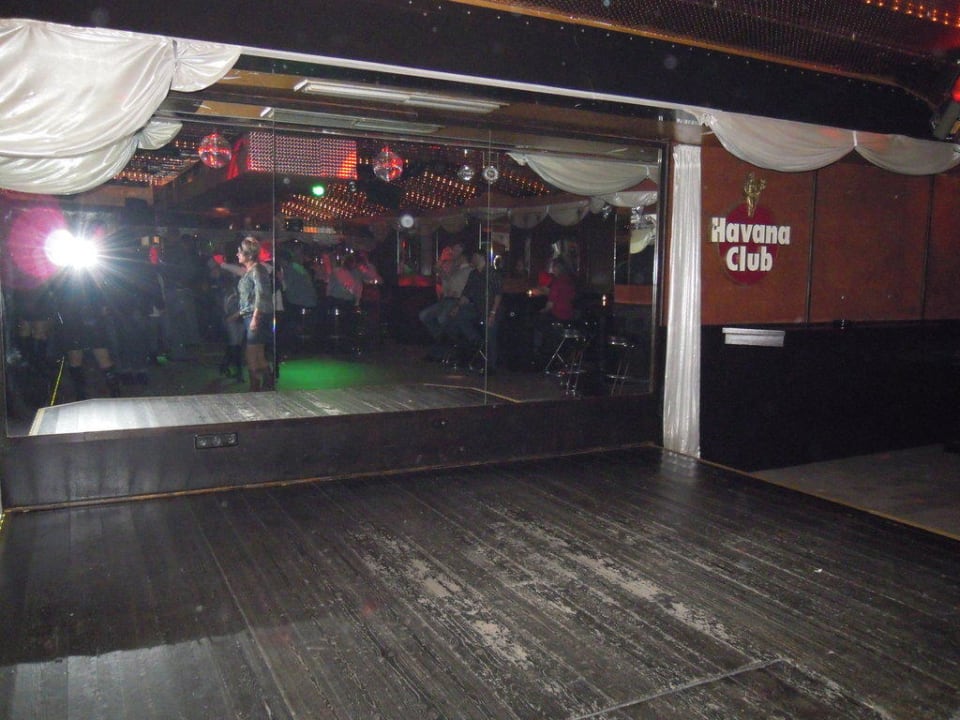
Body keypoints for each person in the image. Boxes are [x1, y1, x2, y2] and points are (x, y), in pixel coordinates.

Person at [445, 251, 503, 373]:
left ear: (480, 258)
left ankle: (491, 366)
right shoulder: (473, 274)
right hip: (478, 309)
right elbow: (466, 293)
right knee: (459, 317)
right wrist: (457, 307)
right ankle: (475, 341)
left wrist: (493, 313)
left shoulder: (492, 273)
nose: (472, 259)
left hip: (491, 309)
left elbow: (498, 295)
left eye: (474, 257)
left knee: (490, 333)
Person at [419, 241, 472, 360]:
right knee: (424, 315)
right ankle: (444, 342)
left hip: (457, 300)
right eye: (453, 250)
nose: (453, 252)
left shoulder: (468, 269)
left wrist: (444, 275)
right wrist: (441, 265)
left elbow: (462, 287)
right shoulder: (454, 268)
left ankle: (445, 347)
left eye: (457, 250)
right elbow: (445, 280)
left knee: (442, 318)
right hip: (447, 299)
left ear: (463, 253)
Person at [234, 236, 275, 391]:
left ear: (248, 254)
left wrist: (255, 318)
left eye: (240, 251)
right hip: (252, 315)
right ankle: (267, 383)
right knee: (257, 353)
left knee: (252, 353)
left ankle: (256, 386)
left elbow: (261, 294)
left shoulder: (257, 270)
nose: (237, 254)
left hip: (256, 315)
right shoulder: (252, 270)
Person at [533, 256, 577, 360]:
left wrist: (542, 310)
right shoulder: (570, 281)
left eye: (553, 267)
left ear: (558, 268)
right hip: (569, 316)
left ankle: (539, 351)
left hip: (557, 315)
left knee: (536, 321)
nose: (552, 270)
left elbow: (550, 305)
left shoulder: (557, 283)